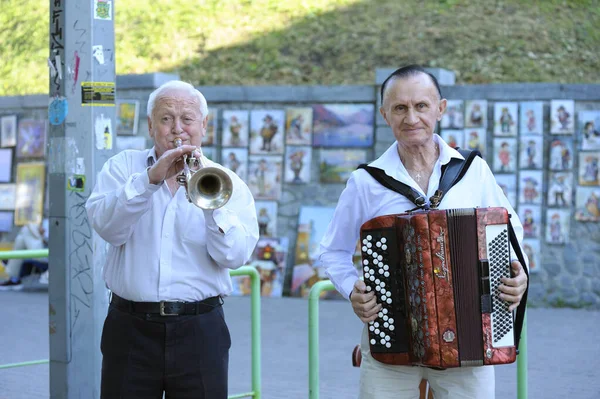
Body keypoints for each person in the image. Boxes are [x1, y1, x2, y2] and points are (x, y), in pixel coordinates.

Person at [319, 65, 528, 399]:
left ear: (440, 109)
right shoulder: (366, 182)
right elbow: (332, 251)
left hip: (470, 336)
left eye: (421, 106)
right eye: (400, 108)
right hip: (392, 337)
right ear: (384, 114)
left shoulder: (472, 171)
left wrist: (518, 277)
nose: (411, 117)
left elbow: (510, 231)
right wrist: (352, 290)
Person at [86, 80, 259, 399]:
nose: (177, 129)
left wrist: (211, 205)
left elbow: (234, 256)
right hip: (130, 326)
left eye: (188, 119)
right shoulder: (123, 168)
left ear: (204, 125)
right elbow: (108, 228)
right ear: (151, 125)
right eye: (166, 118)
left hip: (199, 329)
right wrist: (150, 181)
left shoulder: (226, 181)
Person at [0, 220, 49, 290]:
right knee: (21, 239)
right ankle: (14, 279)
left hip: (51, 254)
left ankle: (14, 278)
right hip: (42, 247)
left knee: (26, 229)